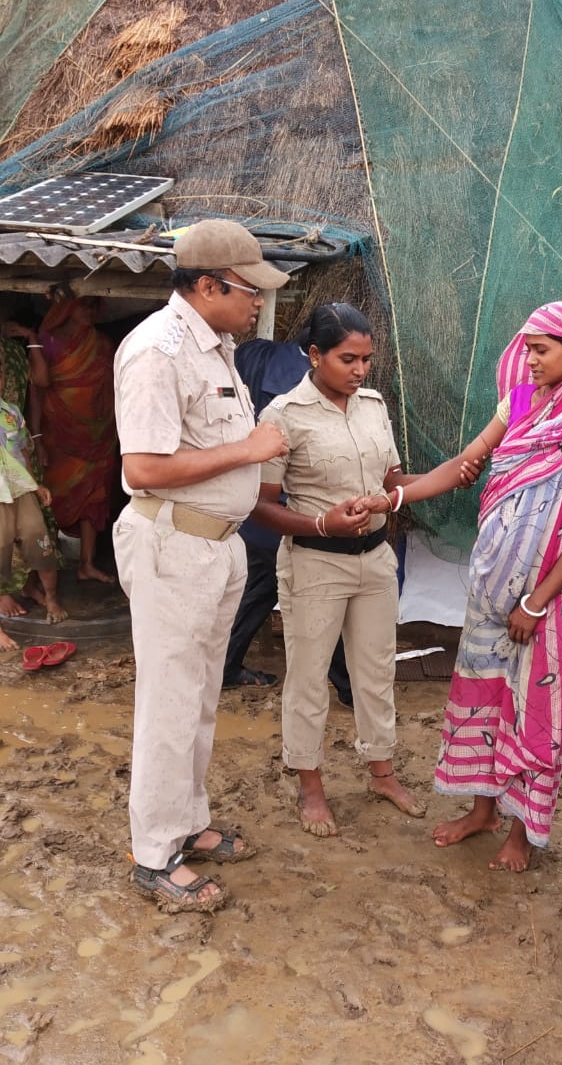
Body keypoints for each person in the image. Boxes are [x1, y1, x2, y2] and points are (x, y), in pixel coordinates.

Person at [113, 219, 289, 913]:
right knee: (169, 701)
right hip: (173, 545)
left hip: (217, 547)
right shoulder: (158, 351)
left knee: (199, 695)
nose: (259, 303)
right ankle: (154, 854)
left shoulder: (217, 349)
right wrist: (247, 454)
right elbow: (145, 467)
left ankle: (187, 821)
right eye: (251, 291)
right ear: (210, 285)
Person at [255, 301, 480, 836]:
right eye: (347, 359)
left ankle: (381, 771)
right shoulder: (283, 415)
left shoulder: (374, 405)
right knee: (308, 678)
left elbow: (395, 480)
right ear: (314, 355)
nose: (359, 371)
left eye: (366, 360)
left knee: (375, 672)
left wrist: (451, 473)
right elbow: (261, 506)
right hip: (314, 565)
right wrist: (324, 524)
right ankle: (311, 786)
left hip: (376, 560)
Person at [424, 301, 562, 872]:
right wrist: (396, 496)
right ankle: (482, 809)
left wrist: (536, 602)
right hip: (491, 588)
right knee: (484, 691)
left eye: (542, 350)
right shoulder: (517, 403)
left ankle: (521, 829)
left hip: (547, 599)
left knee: (535, 706)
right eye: (527, 348)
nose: (528, 359)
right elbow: (470, 458)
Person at [221, 328, 353, 706]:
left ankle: (225, 666)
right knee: (323, 592)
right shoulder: (315, 385)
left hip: (253, 501)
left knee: (261, 588)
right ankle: (347, 686)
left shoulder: (256, 354)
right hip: (289, 509)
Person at [37, 292, 117, 583]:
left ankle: (87, 563)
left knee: (94, 499)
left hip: (99, 436)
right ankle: (45, 570)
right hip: (57, 435)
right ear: (68, 307)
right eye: (85, 305)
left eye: (96, 306)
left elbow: (111, 392)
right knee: (50, 498)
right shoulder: (48, 340)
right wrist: (35, 437)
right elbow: (37, 390)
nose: (90, 311)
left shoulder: (104, 344)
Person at [0, 358, 64, 648]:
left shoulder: (11, 413)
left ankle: (51, 599)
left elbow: (24, 452)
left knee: (40, 544)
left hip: (20, 491)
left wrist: (36, 484)